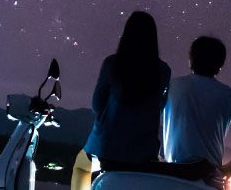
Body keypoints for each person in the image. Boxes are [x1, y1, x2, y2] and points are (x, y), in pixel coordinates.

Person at [71, 11, 171, 190]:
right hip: (144, 152)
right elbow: (160, 106)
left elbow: (96, 105)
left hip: (108, 149)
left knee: (80, 166)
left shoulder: (112, 63)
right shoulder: (163, 70)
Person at [162, 36, 231, 188]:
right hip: (208, 179)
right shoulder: (229, 95)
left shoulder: (172, 87)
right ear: (220, 65)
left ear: (191, 59)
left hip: (173, 177)